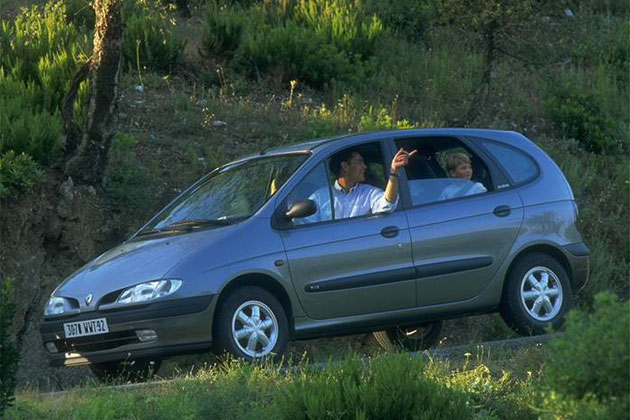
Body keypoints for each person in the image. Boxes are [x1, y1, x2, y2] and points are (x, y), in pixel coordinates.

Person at [302, 147, 416, 222]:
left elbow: (387, 205)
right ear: (345, 166)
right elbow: (306, 226)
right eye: (360, 162)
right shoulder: (319, 197)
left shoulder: (369, 192)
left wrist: (393, 171)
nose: (365, 167)